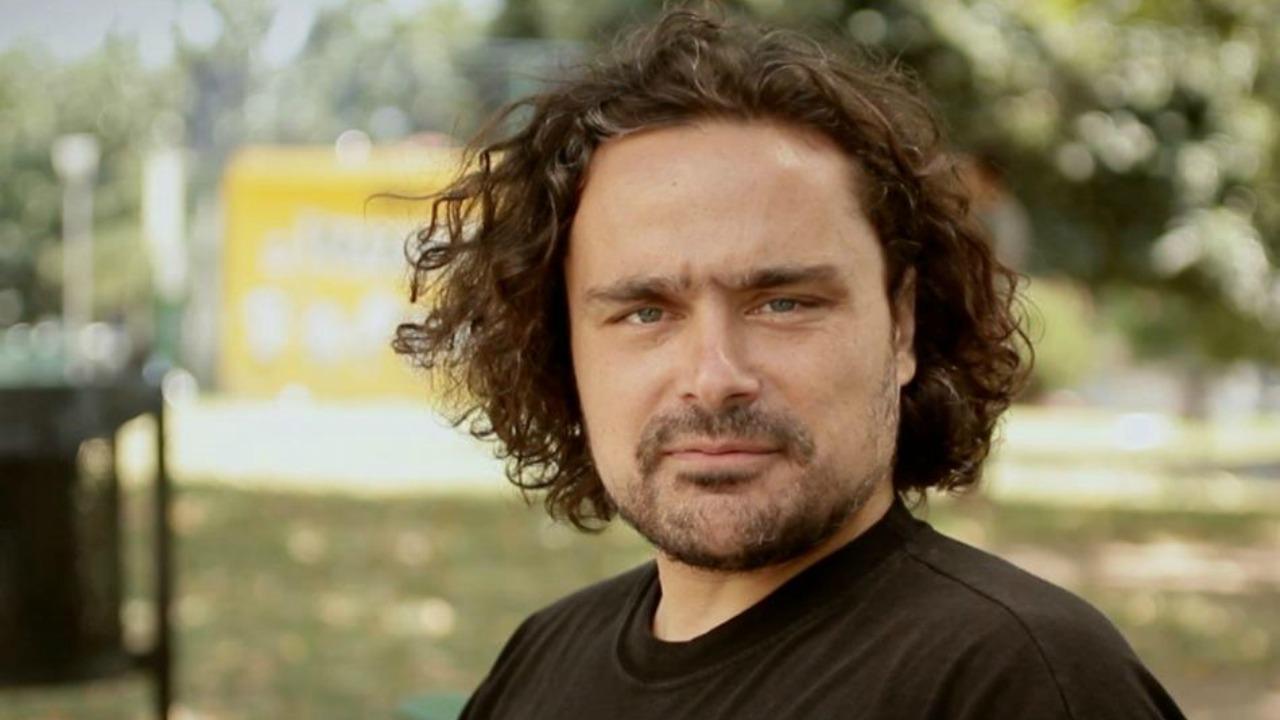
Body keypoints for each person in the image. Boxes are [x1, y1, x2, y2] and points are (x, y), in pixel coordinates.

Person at [394, 6, 1186, 719]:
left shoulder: (1019, 680)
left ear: (902, 326)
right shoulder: (542, 661)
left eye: (783, 303)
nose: (714, 376)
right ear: (561, 345)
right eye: (645, 312)